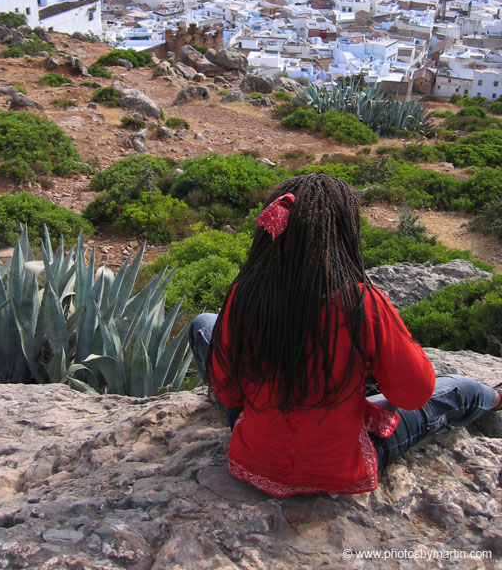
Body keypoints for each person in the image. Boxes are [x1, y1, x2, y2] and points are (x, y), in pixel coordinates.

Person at [189, 173, 502, 497]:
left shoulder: (245, 295)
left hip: (254, 460)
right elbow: (415, 394)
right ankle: (494, 398)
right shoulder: (362, 304)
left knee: (204, 323)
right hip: (338, 467)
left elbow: (229, 394)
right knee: (458, 389)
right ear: (341, 235)